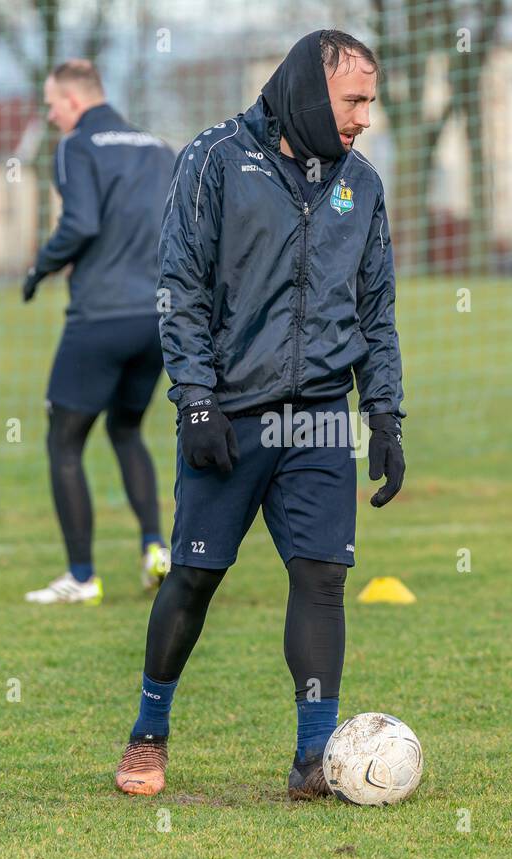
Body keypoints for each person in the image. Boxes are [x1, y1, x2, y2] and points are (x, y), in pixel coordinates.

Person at [112, 30, 405, 798]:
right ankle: (149, 731)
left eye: (371, 101)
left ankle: (314, 758)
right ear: (312, 90)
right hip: (230, 413)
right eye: (354, 100)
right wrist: (197, 396)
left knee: (322, 577)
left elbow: (377, 311)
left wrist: (384, 412)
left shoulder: (361, 185)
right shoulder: (213, 160)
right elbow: (179, 285)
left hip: (318, 420)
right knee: (196, 576)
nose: (366, 117)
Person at [21, 60, 175, 602]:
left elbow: (80, 223)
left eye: (52, 103)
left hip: (101, 319)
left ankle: (81, 578)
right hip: (160, 318)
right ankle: (156, 549)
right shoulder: (158, 148)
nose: (50, 113)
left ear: (74, 101)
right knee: (126, 429)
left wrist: (39, 267)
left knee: (63, 442)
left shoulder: (76, 145)